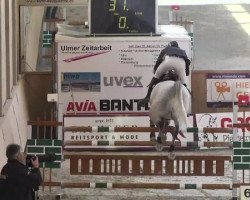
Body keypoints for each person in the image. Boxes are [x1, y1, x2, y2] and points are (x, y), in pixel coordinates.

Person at [138, 41, 191, 107]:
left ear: (169, 45)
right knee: (184, 85)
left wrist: (155, 71)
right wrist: (186, 74)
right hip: (181, 65)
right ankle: (188, 101)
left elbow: (159, 60)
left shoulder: (166, 49)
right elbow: (187, 63)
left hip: (167, 63)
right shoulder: (183, 51)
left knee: (155, 78)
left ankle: (147, 97)